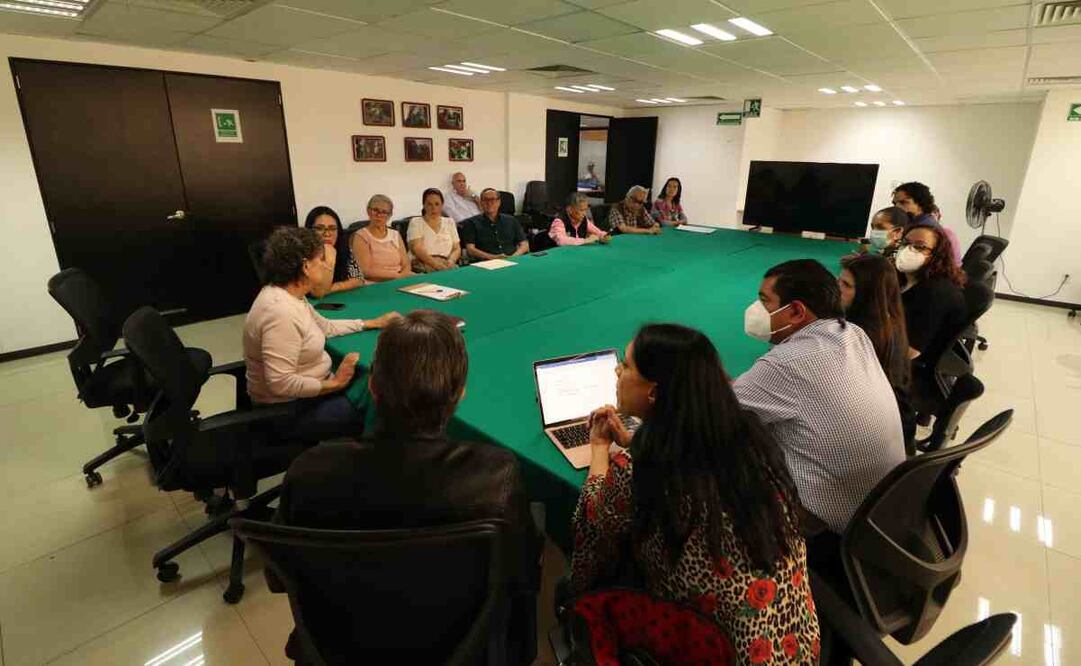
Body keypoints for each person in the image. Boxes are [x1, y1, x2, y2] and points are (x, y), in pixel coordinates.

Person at [273, 310, 543, 664]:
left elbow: (277, 577)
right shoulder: (497, 477)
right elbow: (521, 575)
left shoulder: (309, 470)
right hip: (462, 650)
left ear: (372, 386)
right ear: (460, 394)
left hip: (338, 648)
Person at [571, 324, 820, 662]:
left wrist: (600, 447)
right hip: (795, 645)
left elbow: (594, 518)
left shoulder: (643, 469)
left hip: (710, 648)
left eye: (626, 366)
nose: (617, 371)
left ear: (654, 393)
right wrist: (637, 443)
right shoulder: (752, 439)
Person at [732, 259, 905, 536]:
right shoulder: (854, 334)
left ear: (796, 311)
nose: (756, 309)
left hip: (825, 524)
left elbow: (713, 413)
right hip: (880, 508)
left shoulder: (787, 363)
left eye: (765, 301)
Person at [243, 227, 400, 440]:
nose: (326, 265)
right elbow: (280, 383)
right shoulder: (280, 312)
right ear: (306, 266)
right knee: (380, 393)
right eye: (321, 259)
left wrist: (372, 323)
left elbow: (325, 327)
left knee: (373, 383)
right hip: (289, 412)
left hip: (308, 395)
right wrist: (335, 384)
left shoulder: (291, 295)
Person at [839, 253, 916, 448]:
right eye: (839, 281)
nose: (837, 289)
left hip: (877, 437)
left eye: (846, 285)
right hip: (896, 425)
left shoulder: (859, 336)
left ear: (867, 294)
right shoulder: (888, 320)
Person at [894, 224, 967, 362]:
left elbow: (910, 352)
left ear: (937, 255)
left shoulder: (936, 293)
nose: (908, 250)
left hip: (910, 365)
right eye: (905, 243)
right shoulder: (909, 279)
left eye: (920, 247)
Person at [891, 182, 962, 265]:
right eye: (895, 204)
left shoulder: (926, 229)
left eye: (903, 202)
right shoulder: (911, 224)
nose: (897, 207)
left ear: (921, 204)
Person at [352, 194, 414, 282]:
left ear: (390, 215)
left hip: (400, 278)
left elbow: (406, 264)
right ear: (368, 211)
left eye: (384, 212)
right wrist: (397, 276)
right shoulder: (361, 236)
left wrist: (404, 276)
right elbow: (365, 271)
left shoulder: (395, 234)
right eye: (375, 210)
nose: (379, 215)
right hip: (375, 283)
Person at [303, 206, 363, 296]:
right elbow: (315, 292)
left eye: (332, 228)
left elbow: (358, 279)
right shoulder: (301, 253)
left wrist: (332, 288)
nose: (327, 234)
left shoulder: (343, 248)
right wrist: (330, 260)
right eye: (319, 228)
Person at [460, 188, 529, 260]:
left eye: (493, 199)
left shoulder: (511, 220)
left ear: (499, 202)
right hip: (486, 262)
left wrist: (513, 257)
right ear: (481, 202)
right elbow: (470, 250)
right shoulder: (471, 223)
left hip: (513, 259)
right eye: (485, 200)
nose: (489, 203)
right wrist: (493, 258)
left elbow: (524, 244)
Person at [407, 188, 461, 272]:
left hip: (446, 264)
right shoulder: (416, 222)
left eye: (437, 204)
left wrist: (451, 261)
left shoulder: (450, 222)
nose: (433, 208)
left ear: (442, 205)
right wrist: (437, 265)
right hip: (423, 265)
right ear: (424, 205)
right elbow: (417, 248)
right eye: (429, 204)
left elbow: (456, 248)